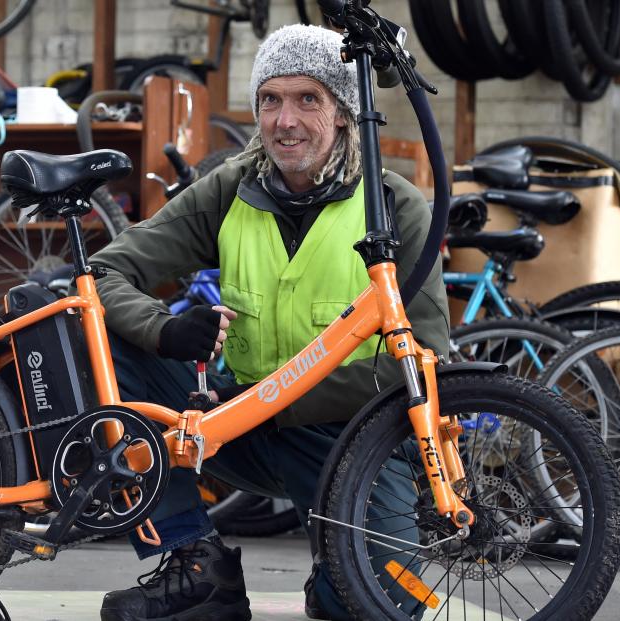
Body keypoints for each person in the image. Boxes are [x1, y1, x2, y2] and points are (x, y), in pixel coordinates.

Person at [89, 23, 450, 621]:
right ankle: (194, 564)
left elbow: (426, 361)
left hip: (354, 440)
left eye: (308, 99)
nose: (285, 121)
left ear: (342, 114)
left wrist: (280, 399)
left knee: (371, 605)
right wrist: (164, 330)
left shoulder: (395, 208)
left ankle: (333, 569)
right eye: (270, 100)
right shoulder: (232, 188)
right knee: (101, 343)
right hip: (242, 429)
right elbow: (102, 275)